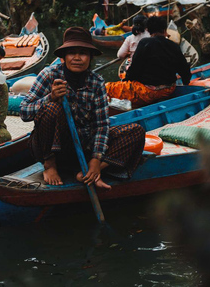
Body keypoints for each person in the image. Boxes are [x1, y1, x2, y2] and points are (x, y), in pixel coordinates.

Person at [21, 27, 145, 188]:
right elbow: (24, 112)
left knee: (136, 131)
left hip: (83, 148)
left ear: (90, 57)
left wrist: (96, 159)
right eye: (72, 53)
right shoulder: (49, 75)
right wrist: (50, 98)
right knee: (52, 109)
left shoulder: (96, 82)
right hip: (51, 148)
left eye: (83, 53)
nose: (77, 58)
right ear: (64, 57)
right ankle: (50, 166)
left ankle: (90, 171)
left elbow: (101, 126)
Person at [105, 16, 191, 108]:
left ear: (148, 30)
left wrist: (126, 81)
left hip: (147, 92)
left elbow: (134, 70)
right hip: (169, 90)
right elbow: (185, 71)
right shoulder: (174, 45)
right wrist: (186, 83)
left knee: (106, 87)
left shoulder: (144, 43)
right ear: (165, 30)